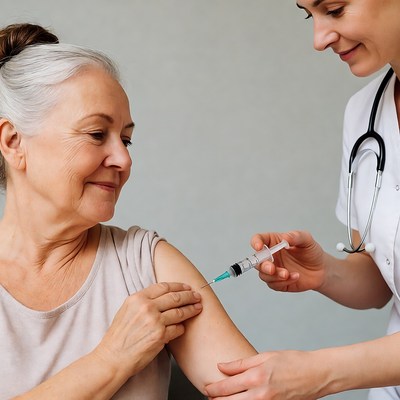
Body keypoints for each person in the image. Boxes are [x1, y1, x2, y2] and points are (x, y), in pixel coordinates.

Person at [0, 22, 257, 399]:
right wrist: (111, 359)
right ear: (13, 141)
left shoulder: (145, 265)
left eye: (126, 139)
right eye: (96, 134)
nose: (123, 159)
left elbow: (256, 393)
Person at [205, 1, 400, 399]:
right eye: (310, 15)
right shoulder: (364, 113)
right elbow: (384, 282)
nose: (318, 39)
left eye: (335, 9)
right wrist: (325, 273)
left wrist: (320, 373)